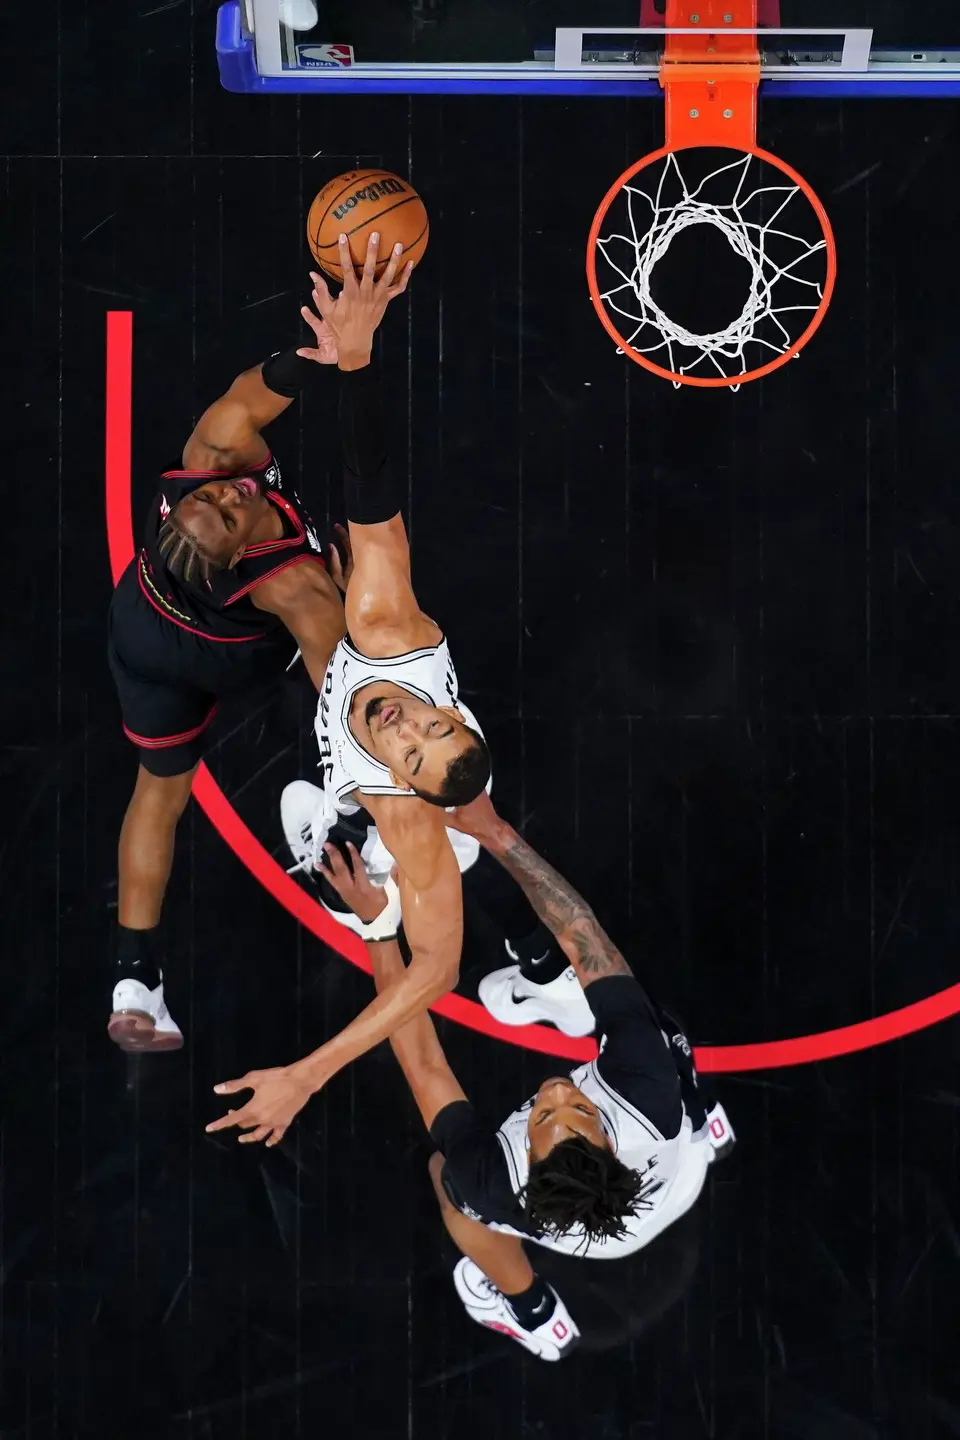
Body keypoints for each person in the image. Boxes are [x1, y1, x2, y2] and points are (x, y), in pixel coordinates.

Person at [205, 235, 578, 1133]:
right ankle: (551, 975)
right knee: (446, 864)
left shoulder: (407, 810)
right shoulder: (386, 638)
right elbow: (372, 492)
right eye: (426, 722)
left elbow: (438, 974)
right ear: (442, 705)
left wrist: (307, 1074)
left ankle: (547, 976)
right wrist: (357, 359)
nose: (398, 721)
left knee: (411, 887)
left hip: (406, 823)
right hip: (410, 804)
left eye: (409, 747)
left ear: (407, 784)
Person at [207, 791, 735, 1360]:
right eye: (580, 1109)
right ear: (609, 1138)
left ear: (526, 1165)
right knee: (656, 1030)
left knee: (447, 1182)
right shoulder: (645, 1094)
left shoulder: (492, 1179)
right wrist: (497, 832)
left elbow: (425, 1062)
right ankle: (701, 1117)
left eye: (542, 1117)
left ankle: (529, 1308)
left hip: (620, 1222)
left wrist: (378, 925)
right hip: (681, 1160)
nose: (557, 1092)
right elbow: (586, 937)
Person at [107, 236, 411, 1053]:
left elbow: (250, 395)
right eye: (239, 511)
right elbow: (334, 674)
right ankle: (345, 826)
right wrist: (355, 604)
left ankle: (136, 984)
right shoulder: (289, 587)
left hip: (143, 627)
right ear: (240, 549)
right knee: (175, 789)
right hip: (222, 652)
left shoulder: (207, 467)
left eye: (225, 494)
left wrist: (321, 352)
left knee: (156, 788)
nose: (242, 491)